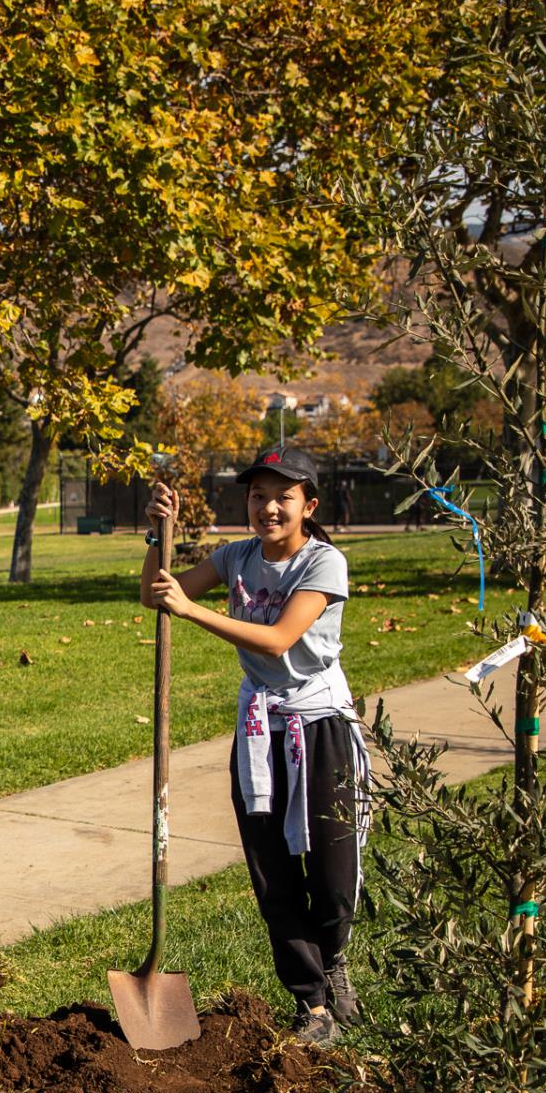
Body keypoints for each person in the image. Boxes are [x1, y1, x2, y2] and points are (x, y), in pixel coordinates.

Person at [139, 447, 370, 1046]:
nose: (268, 507)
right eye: (258, 495)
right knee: (272, 870)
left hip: (319, 727)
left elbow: (277, 639)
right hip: (260, 732)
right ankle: (312, 1003)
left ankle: (335, 958)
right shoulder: (235, 557)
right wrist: (154, 539)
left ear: (308, 505)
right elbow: (155, 595)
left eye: (283, 497)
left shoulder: (325, 563)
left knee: (333, 868)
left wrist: (189, 611)